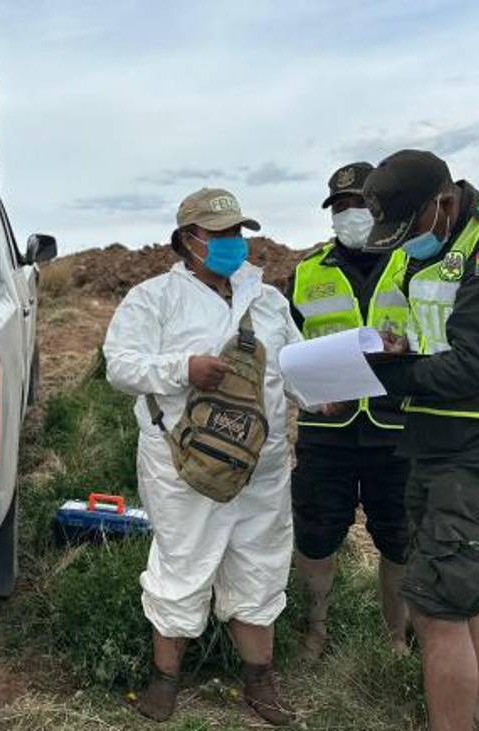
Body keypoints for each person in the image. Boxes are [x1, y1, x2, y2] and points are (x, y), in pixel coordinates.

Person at [362, 150, 479, 731]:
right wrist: (388, 354)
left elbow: (473, 364)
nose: (404, 243)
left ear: (443, 202)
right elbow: (421, 336)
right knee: (461, 602)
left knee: (436, 609)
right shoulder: (428, 246)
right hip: (437, 442)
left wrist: (382, 377)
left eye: (410, 227)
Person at [103, 187, 302, 726]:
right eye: (220, 233)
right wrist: (182, 369)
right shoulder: (154, 298)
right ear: (189, 239)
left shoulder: (267, 300)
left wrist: (322, 391)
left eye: (238, 231)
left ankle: (260, 682)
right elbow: (120, 365)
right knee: (182, 562)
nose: (234, 242)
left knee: (261, 562)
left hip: (261, 465)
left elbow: (291, 369)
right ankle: (164, 680)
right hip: (183, 465)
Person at [285, 162, 411, 660]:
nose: (350, 213)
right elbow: (288, 346)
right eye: (340, 205)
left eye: (360, 203)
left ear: (380, 208)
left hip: (398, 426)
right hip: (326, 429)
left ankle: (395, 637)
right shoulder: (306, 272)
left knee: (401, 538)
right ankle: (314, 630)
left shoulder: (412, 263)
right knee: (315, 534)